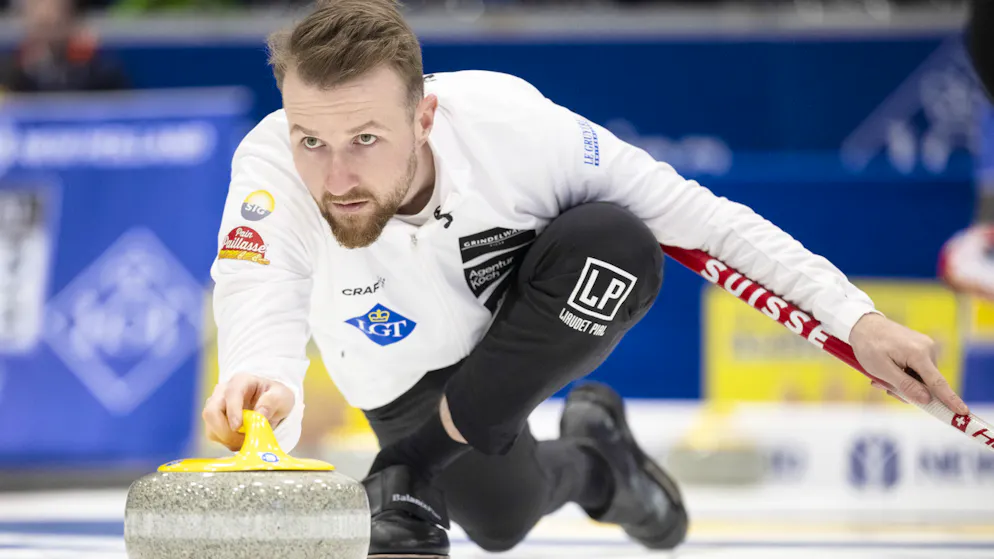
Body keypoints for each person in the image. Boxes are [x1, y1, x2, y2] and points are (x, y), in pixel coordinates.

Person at [201, 0, 971, 555]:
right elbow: (259, 289)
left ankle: (416, 460)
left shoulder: (515, 130)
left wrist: (855, 319)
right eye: (312, 140)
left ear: (425, 117)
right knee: (502, 522)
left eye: (366, 138)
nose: (335, 176)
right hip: (396, 367)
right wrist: (262, 383)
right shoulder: (271, 165)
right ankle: (601, 463)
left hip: (520, 320)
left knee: (617, 242)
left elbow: (702, 222)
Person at [0, 0, 128, 93]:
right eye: (43, 25)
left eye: (57, 10)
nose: (47, 14)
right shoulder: (10, 72)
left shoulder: (100, 70)